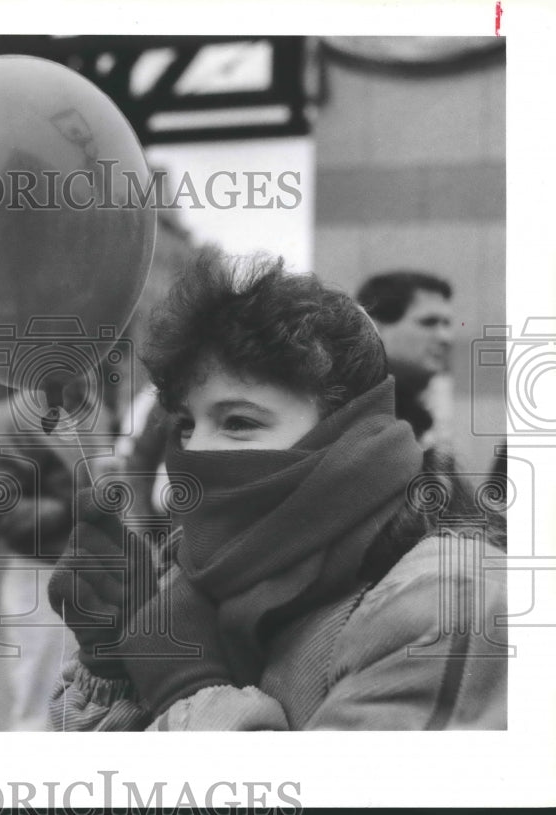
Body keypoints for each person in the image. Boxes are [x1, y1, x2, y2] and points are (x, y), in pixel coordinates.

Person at [47, 249, 506, 731]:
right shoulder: (205, 570)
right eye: (184, 423)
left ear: (345, 430)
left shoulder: (449, 602)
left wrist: (186, 683)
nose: (195, 448)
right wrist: (113, 665)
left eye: (239, 421)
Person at [0, 379, 113, 730]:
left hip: (94, 575)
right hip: (40, 579)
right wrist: (68, 507)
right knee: (39, 711)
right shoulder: (21, 415)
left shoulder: (94, 409)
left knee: (86, 707)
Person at [356, 270, 454, 447]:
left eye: (446, 324)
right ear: (375, 326)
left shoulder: (417, 416)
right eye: (429, 322)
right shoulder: (355, 417)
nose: (445, 337)